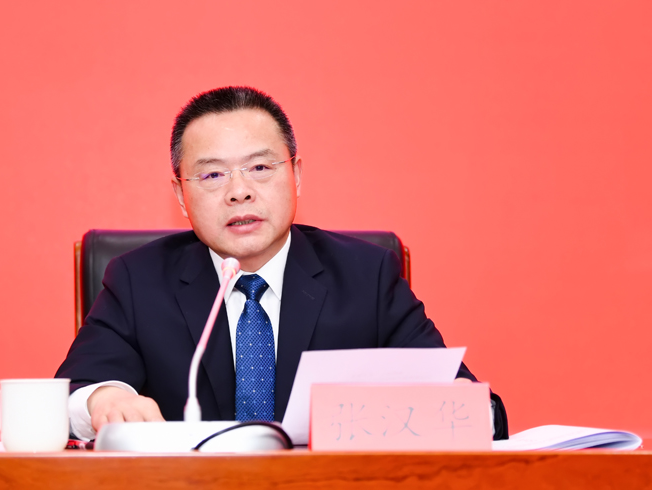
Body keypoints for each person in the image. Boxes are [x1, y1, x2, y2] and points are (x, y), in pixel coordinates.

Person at [56, 86, 508, 441]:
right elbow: (76, 390)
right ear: (180, 195)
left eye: (260, 168)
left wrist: (459, 405)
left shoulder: (367, 276)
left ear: (297, 176)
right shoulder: (137, 281)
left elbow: (473, 406)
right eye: (212, 174)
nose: (239, 192)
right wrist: (104, 399)